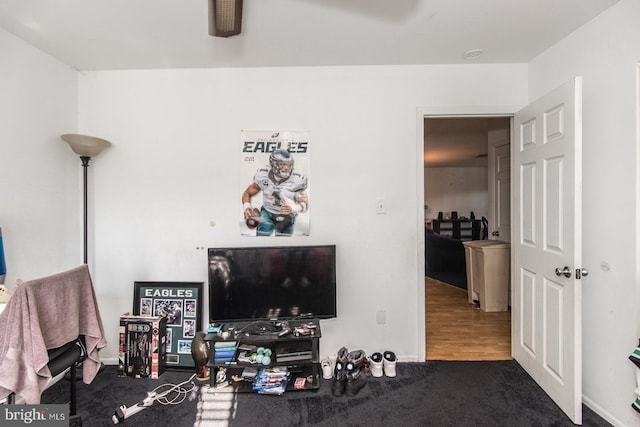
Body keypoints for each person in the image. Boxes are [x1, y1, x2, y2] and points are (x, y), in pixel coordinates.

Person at [242, 149, 308, 236]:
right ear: (273, 164)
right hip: (267, 213)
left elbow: (305, 203)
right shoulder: (263, 175)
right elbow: (247, 193)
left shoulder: (297, 180)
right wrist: (246, 207)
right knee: (260, 241)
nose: (286, 168)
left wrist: (293, 208)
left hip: (287, 216)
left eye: (288, 164)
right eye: (282, 164)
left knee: (284, 246)